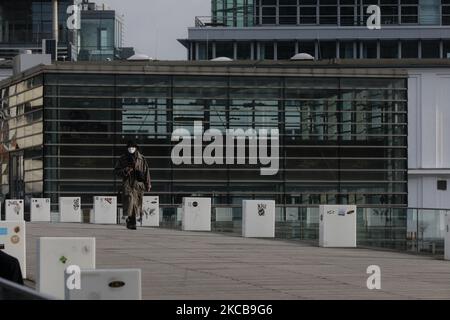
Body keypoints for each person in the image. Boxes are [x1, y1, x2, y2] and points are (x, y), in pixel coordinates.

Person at [114, 140, 151, 230]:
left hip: (138, 184)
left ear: (136, 148)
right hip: (128, 183)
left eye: (133, 147)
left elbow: (146, 172)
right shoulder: (122, 158)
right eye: (130, 147)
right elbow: (116, 171)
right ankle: (131, 221)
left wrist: (148, 184)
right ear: (127, 148)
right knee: (130, 201)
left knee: (135, 204)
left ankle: (131, 222)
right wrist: (125, 170)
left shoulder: (141, 158)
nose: (131, 149)